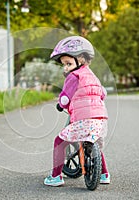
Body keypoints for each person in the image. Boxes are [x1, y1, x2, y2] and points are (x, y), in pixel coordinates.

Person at [44, 36, 110, 187]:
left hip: (83, 118)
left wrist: (60, 105)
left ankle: (56, 177)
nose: (66, 68)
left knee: (59, 142)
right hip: (100, 118)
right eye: (64, 65)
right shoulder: (91, 74)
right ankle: (104, 174)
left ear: (80, 60)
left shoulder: (74, 76)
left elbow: (65, 98)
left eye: (68, 63)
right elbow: (103, 93)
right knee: (96, 144)